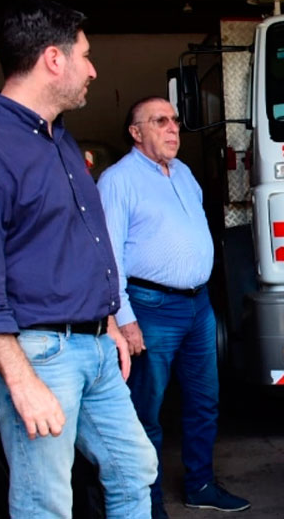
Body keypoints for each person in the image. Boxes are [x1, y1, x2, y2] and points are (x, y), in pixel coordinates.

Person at [0, 0, 158, 518]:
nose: (93, 70)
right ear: (53, 59)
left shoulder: (58, 141)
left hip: (97, 349)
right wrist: (20, 380)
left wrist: (110, 323)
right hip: (38, 355)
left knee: (134, 470)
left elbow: (71, 247)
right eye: (85, 55)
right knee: (45, 502)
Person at [97, 96, 250, 519]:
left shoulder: (183, 173)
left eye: (175, 121)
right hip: (149, 308)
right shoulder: (117, 181)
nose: (172, 128)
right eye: (159, 121)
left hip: (197, 305)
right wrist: (123, 319)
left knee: (204, 402)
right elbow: (106, 257)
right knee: (146, 410)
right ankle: (145, 503)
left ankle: (200, 484)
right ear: (135, 132)